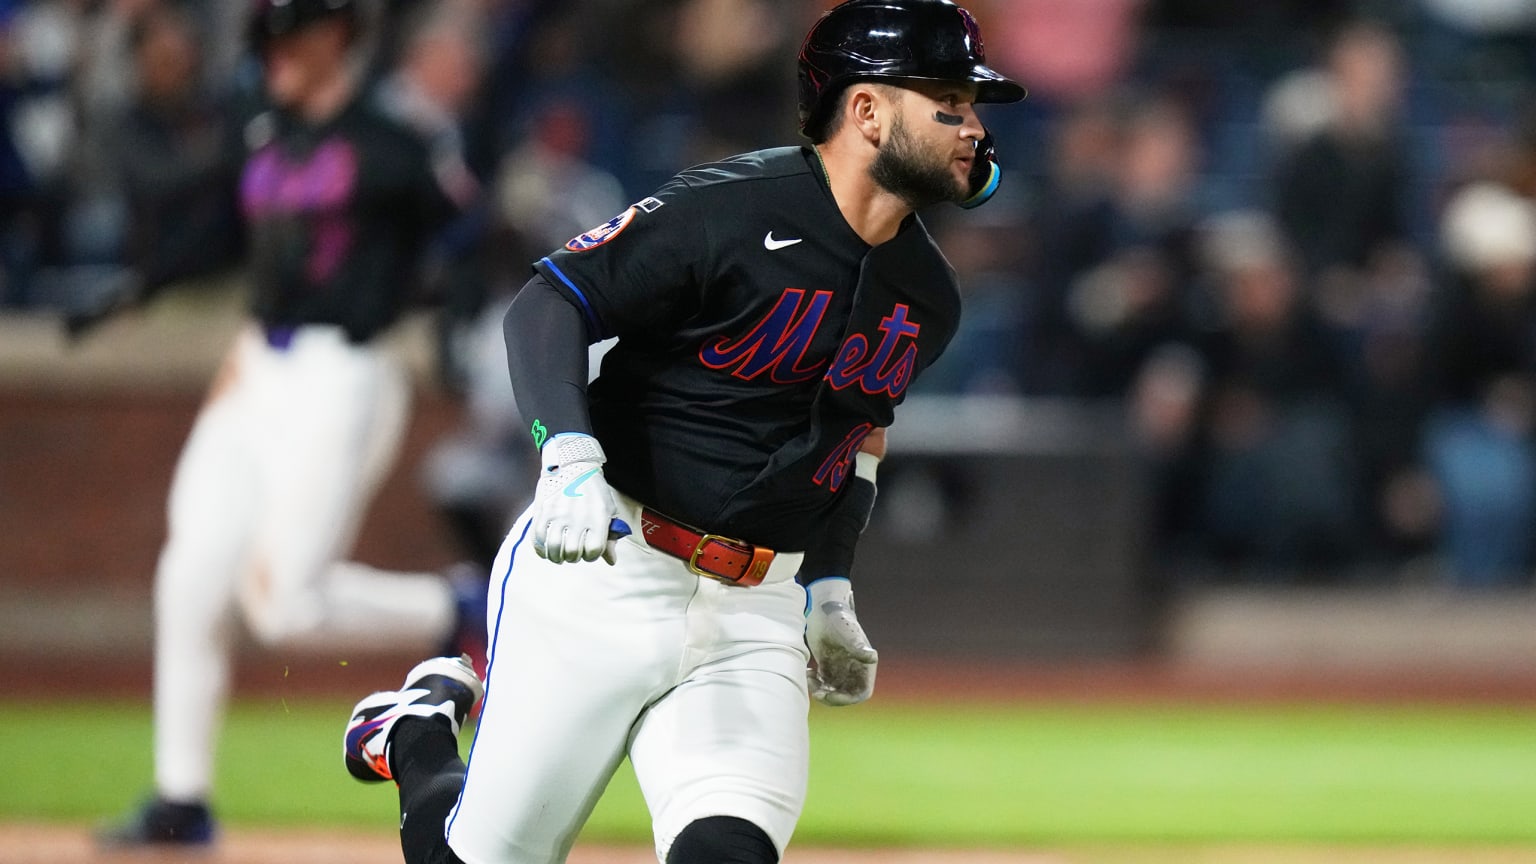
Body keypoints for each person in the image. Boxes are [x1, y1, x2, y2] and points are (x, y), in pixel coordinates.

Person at [341, 1, 1024, 862]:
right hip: (607, 570)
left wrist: (831, 586)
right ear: (866, 111)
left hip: (754, 610)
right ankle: (418, 732)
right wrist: (568, 455)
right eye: (950, 102)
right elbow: (549, 305)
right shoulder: (728, 207)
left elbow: (857, 444)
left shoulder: (930, 297)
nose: (973, 128)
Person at [100, 0, 486, 847]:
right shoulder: (265, 129)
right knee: (192, 573)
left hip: (344, 368)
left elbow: (463, 230)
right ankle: (182, 798)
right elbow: (217, 225)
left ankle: (458, 606)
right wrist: (139, 286)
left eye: (288, 34)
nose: (271, 51)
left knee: (283, 607)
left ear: (338, 35)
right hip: (254, 365)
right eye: (267, 35)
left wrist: (452, 333)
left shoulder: (394, 139)